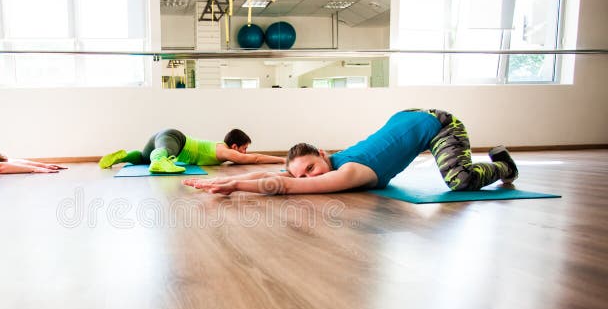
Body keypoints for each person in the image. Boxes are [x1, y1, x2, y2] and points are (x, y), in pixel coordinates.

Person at [183, 109, 518, 195]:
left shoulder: (347, 171)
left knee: (459, 180)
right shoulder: (332, 163)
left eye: (312, 169)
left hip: (439, 123)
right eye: (304, 174)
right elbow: (281, 176)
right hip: (406, 119)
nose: (311, 178)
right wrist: (220, 181)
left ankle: (503, 166)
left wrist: (235, 185)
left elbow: (287, 186)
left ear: (323, 154)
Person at [98, 128, 285, 174]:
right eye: (244, 149)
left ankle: (120, 157)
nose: (245, 153)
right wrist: (283, 160)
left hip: (163, 136)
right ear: (234, 146)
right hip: (175, 137)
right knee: (162, 153)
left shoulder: (220, 148)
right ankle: (159, 162)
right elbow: (256, 159)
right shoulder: (224, 151)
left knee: (141, 157)